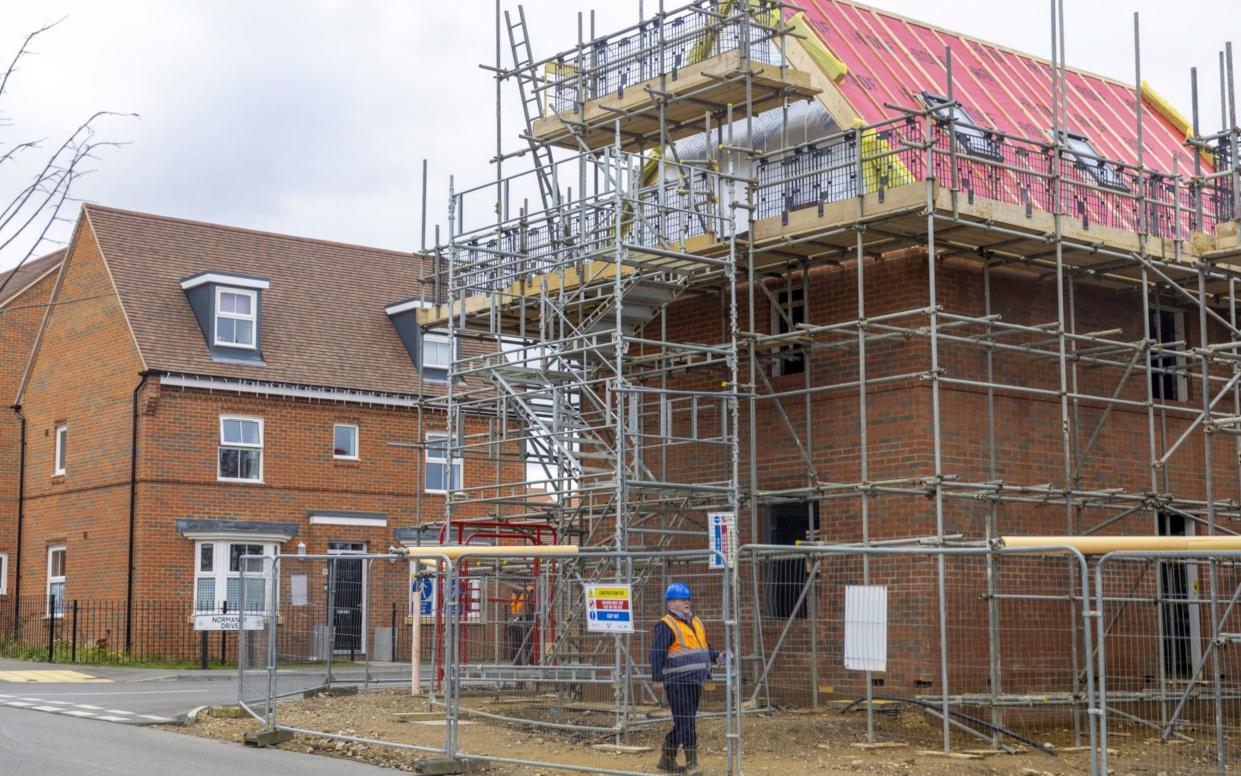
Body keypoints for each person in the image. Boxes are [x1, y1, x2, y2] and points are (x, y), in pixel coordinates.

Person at [650, 582, 723, 775]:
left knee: (684, 721)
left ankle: (666, 758)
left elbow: (704, 647)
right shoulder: (666, 625)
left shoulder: (696, 622)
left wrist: (717, 657)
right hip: (677, 682)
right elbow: (656, 653)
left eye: (687, 599)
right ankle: (692, 764)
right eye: (682, 600)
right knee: (686, 722)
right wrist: (657, 677)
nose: (687, 602)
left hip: (695, 680)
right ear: (671, 603)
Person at [508, 583, 534, 665]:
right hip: (516, 621)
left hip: (526, 620)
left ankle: (532, 662)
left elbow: (531, 590)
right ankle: (516, 663)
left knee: (529, 643)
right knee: (515, 645)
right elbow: (513, 609)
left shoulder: (526, 592)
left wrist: (526, 590)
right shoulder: (514, 596)